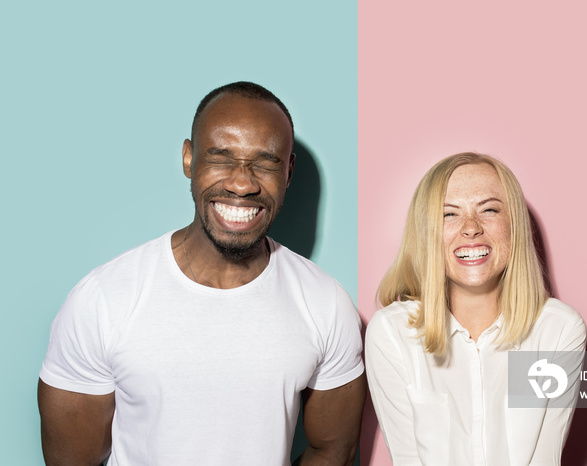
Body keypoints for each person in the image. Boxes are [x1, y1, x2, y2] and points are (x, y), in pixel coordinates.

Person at [38, 81, 366, 465]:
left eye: (265, 162)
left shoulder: (325, 303)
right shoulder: (103, 299)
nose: (242, 183)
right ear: (189, 160)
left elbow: (333, 450)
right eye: (221, 157)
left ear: (288, 172)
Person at [365, 153, 586, 465]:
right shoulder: (392, 333)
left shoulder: (556, 331)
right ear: (427, 234)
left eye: (490, 209)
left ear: (514, 226)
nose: (471, 228)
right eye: (449, 214)